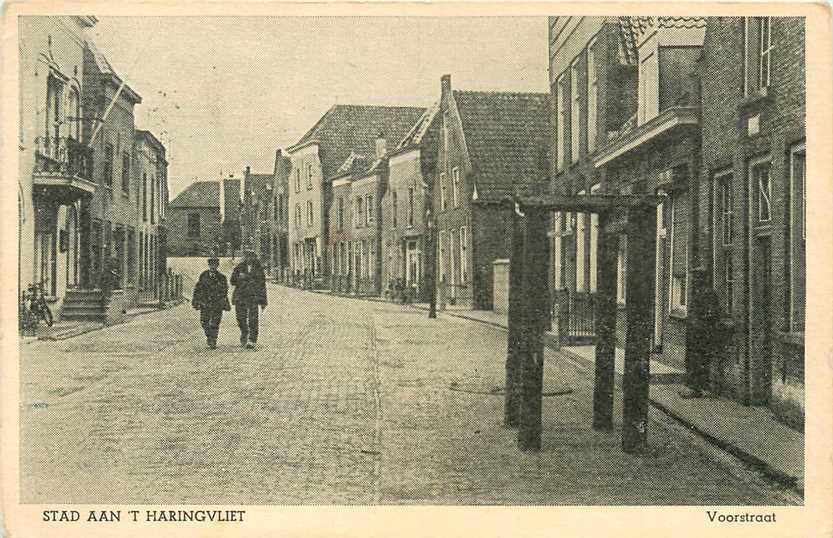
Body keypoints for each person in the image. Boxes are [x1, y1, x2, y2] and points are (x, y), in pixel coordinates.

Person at [230, 249, 267, 349]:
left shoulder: (258, 269)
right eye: (247, 256)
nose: (249, 258)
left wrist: (263, 301)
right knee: (240, 318)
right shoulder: (239, 267)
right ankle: (244, 332)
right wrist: (239, 277)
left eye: (251, 256)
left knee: (253, 319)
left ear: (254, 257)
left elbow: (262, 285)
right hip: (241, 297)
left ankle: (252, 339)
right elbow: (232, 281)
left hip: (253, 297)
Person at [192, 257, 230, 349]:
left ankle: (213, 340)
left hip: (217, 304)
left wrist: (221, 300)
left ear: (217, 265)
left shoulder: (222, 277)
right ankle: (209, 336)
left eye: (215, 265)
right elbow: (198, 289)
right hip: (205, 303)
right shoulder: (203, 276)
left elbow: (225, 290)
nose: (213, 267)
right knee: (204, 322)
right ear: (209, 265)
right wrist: (196, 301)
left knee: (215, 323)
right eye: (211, 265)